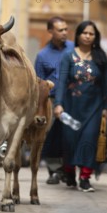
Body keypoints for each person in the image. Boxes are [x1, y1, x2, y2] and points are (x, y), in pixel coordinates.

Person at [53, 20, 107, 192]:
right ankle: (69, 172)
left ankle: (85, 178)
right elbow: (62, 82)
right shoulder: (68, 56)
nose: (88, 36)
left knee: (89, 140)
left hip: (94, 108)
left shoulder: (100, 58)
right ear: (78, 35)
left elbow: (106, 86)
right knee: (69, 142)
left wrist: (106, 108)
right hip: (71, 107)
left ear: (95, 37)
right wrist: (58, 104)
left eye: (91, 34)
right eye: (84, 33)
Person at [34, 16, 74, 184]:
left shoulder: (74, 48)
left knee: (70, 133)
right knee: (51, 134)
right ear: (50, 31)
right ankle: (54, 170)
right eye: (60, 30)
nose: (64, 33)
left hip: (72, 98)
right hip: (51, 100)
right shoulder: (43, 56)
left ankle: (68, 169)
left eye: (66, 29)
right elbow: (39, 83)